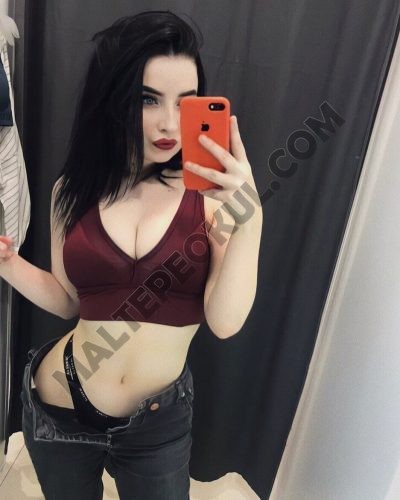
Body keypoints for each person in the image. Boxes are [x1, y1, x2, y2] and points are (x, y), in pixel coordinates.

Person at [0, 9, 262, 500]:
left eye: (184, 101)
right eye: (148, 99)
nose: (169, 123)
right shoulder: (71, 191)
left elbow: (225, 322)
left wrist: (251, 218)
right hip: (59, 404)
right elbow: (69, 301)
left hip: (157, 424)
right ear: (113, 97)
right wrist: (7, 264)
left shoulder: (211, 199)